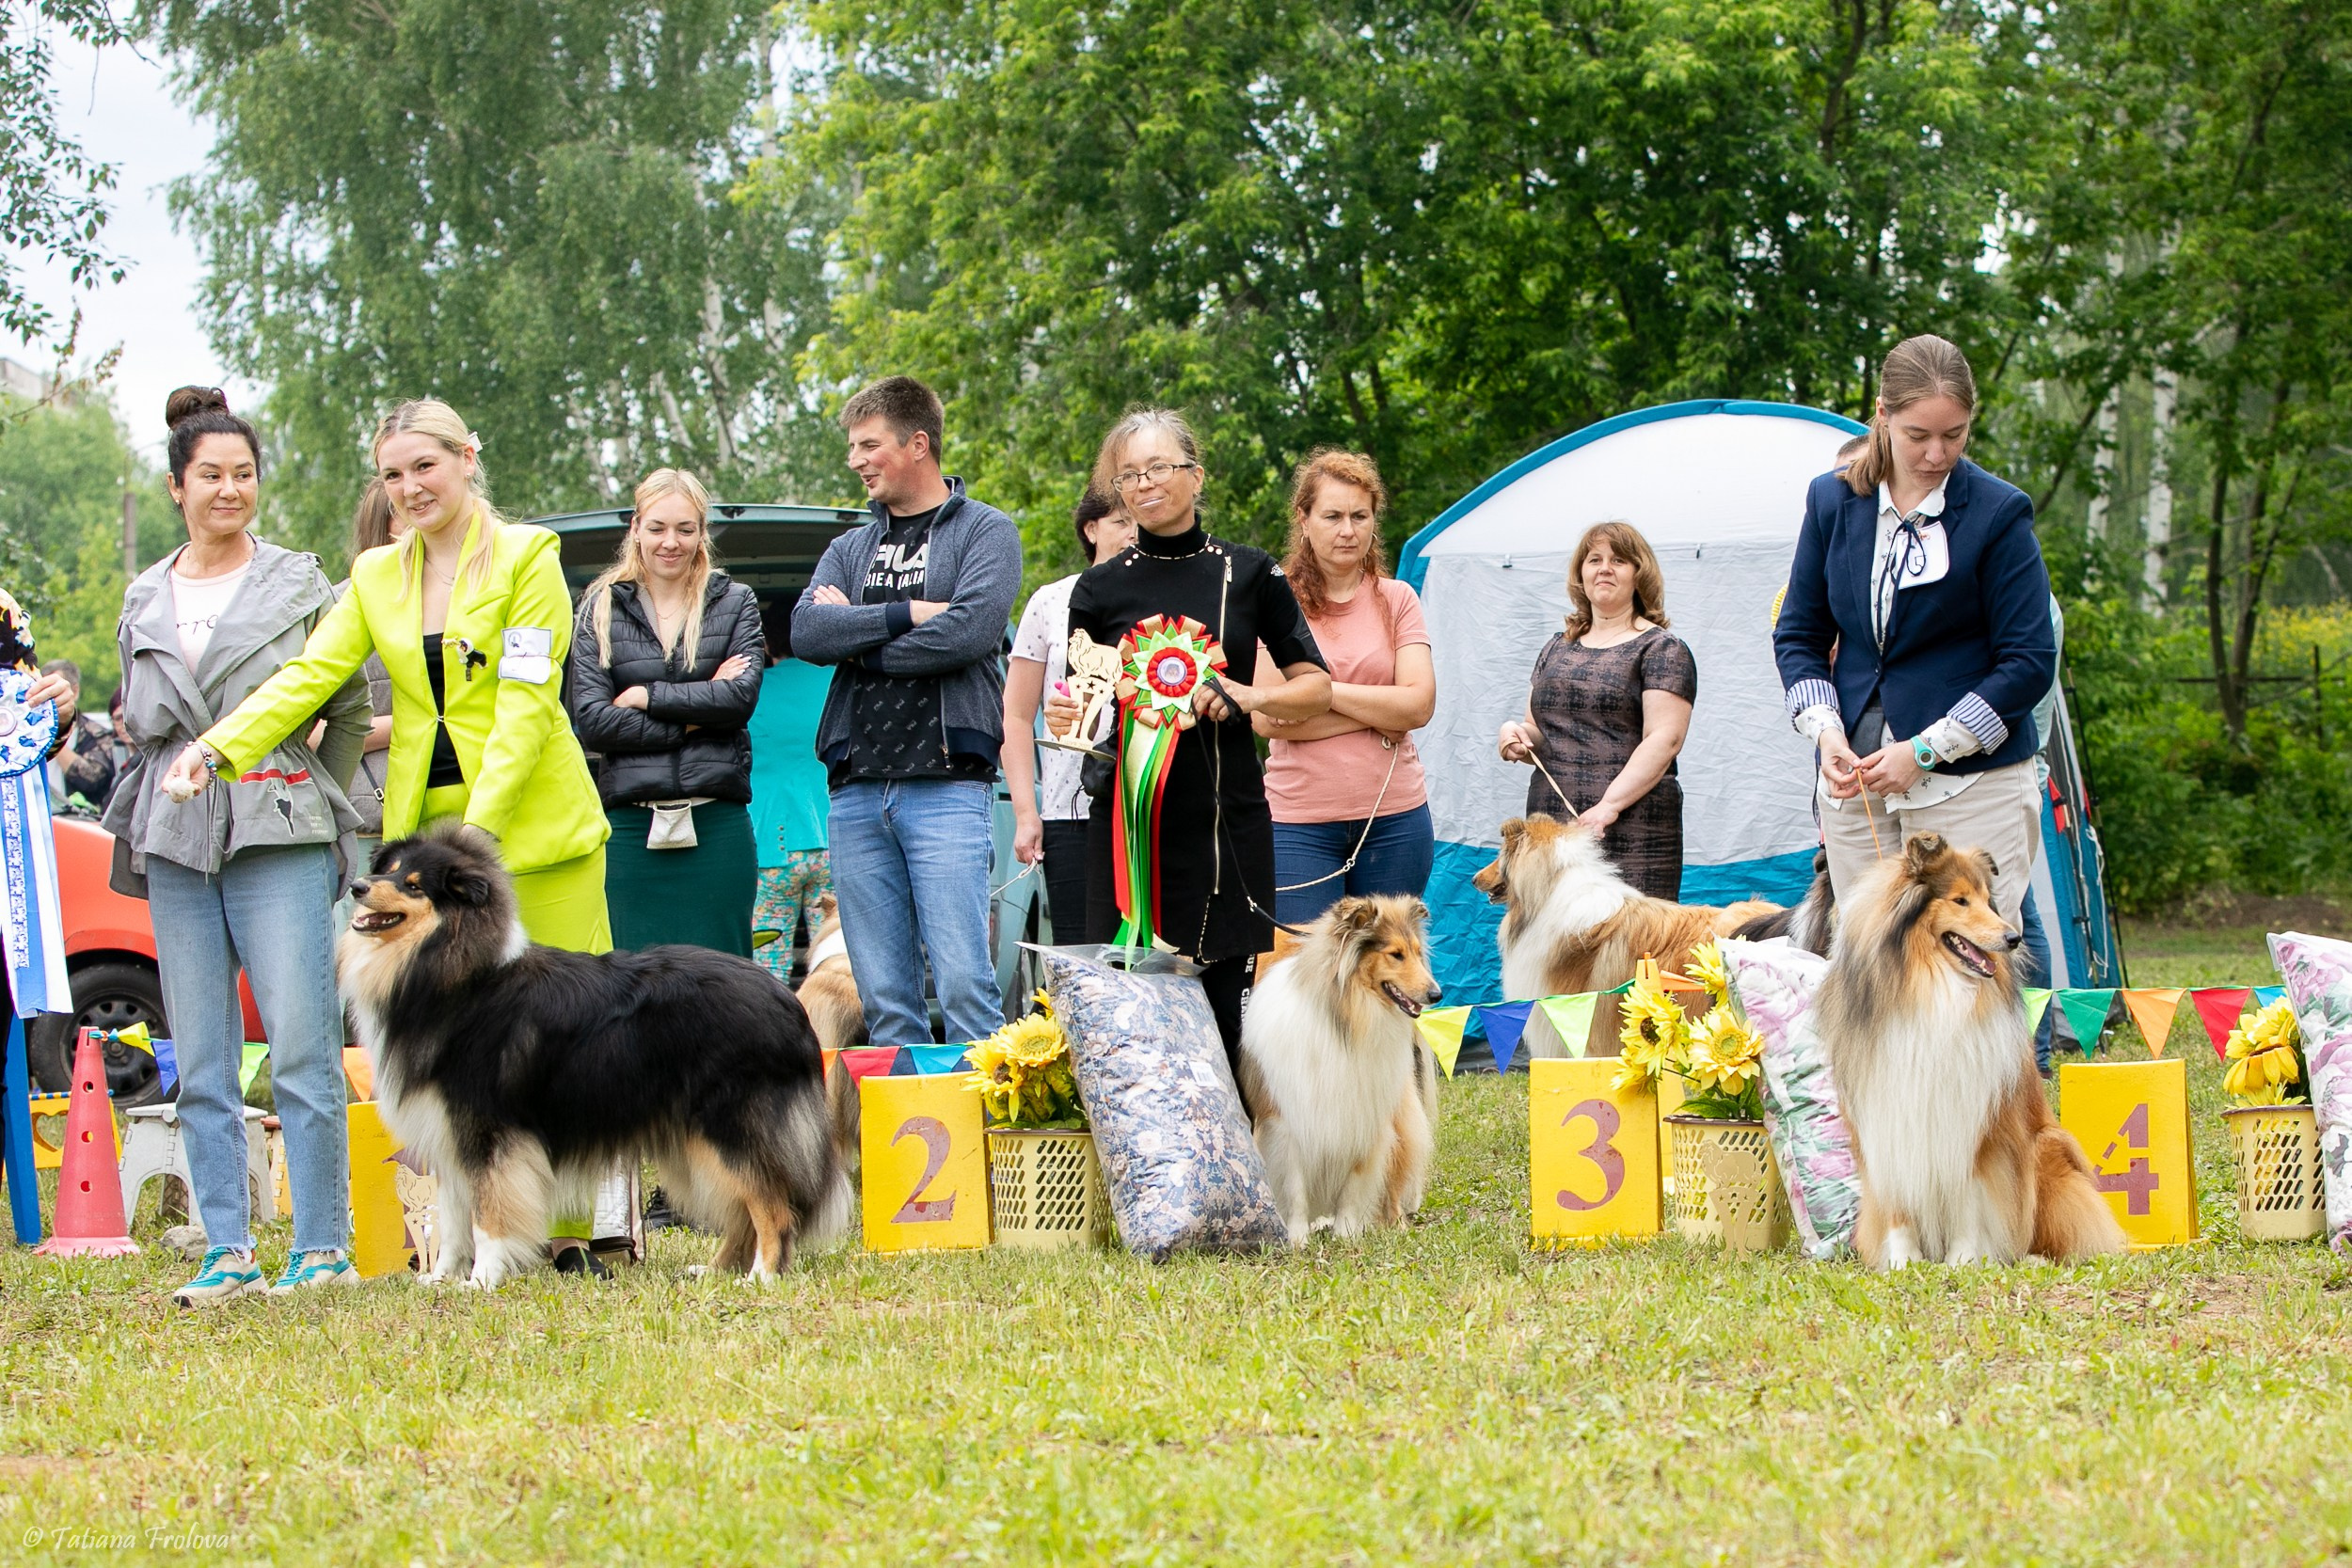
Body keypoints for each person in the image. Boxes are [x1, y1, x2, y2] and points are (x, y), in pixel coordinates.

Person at [166, 397, 616, 1276]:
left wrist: (473, 846)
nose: (409, 487)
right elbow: (309, 676)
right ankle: (473, 1241)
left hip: (535, 831)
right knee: (454, 1056)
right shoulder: (375, 575)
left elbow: (527, 706)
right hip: (425, 842)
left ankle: (565, 1236)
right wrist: (217, 747)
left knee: (566, 1039)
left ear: (467, 456)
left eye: (424, 466)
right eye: (392, 474)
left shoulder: (531, 556)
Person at [106, 387, 373, 1305]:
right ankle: (227, 1246)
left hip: (279, 831)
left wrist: (315, 789)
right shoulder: (143, 595)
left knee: (301, 1042)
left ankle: (323, 1245)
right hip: (177, 839)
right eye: (211, 475)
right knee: (206, 1055)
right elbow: (138, 727)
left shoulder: (300, 582)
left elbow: (348, 710)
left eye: (244, 473)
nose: (230, 489)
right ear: (177, 485)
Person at [1051, 408, 1330, 1069]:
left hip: (1226, 825)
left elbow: (1316, 685)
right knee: (1132, 1024)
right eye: (1129, 475)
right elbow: (1084, 706)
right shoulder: (1095, 589)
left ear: (1196, 475)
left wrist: (1251, 695)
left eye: (1159, 467)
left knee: (1231, 1016)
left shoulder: (1252, 573)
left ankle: (1233, 1162)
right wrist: (1072, 722)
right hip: (1130, 835)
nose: (1145, 484)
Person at [1773, 332, 2056, 926]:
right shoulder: (1831, 502)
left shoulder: (2000, 513)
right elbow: (1798, 634)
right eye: (1918, 436)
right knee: (1872, 964)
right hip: (1857, 785)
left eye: (1954, 435)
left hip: (1973, 784)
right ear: (1883, 415)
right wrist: (1826, 732)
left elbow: (2028, 661)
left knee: (1969, 968)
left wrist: (1926, 750)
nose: (1936, 454)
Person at [791, 376, 1022, 1049]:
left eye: (869, 444)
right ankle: (903, 1155)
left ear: (917, 443)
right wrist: (903, 614)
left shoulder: (986, 531)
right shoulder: (850, 546)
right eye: (852, 446)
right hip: (858, 789)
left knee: (964, 987)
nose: (855, 460)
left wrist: (859, 642)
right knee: (887, 1000)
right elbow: (807, 633)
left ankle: (986, 1154)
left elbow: (971, 631)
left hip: (947, 786)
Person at [569, 467, 764, 956]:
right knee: (634, 990)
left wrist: (646, 697)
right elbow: (593, 723)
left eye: (685, 528)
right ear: (635, 528)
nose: (670, 542)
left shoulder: (735, 601)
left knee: (724, 988)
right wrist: (700, 716)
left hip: (717, 827)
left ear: (703, 532)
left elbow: (739, 701)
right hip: (630, 833)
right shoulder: (598, 607)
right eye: (656, 527)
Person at [1257, 451, 1437, 926]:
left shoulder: (1398, 598)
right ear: (1305, 519)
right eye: (1332, 516)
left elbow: (1418, 706)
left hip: (1396, 820)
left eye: (1360, 516)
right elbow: (1267, 716)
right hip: (1298, 826)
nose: (1347, 530)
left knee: (1387, 980)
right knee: (1305, 980)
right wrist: (1382, 711)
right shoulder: (1274, 601)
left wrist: (1320, 693)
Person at [1496, 522, 1696, 899]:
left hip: (1635, 829)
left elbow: (1665, 739)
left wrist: (1608, 807)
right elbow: (1539, 731)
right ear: (1581, 574)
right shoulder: (1556, 648)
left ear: (1639, 574)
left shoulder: (1662, 649)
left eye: (1619, 560)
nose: (1604, 568)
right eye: (1594, 560)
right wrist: (1516, 735)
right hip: (1551, 828)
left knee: (1633, 948)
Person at [1003, 490, 1137, 940]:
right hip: (1070, 812)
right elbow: (1017, 716)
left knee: (1157, 963)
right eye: (1121, 521)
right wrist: (1027, 813)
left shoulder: (1170, 601)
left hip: (1154, 810)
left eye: (1141, 520)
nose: (1134, 532)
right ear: (1091, 528)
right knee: (1081, 960)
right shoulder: (1050, 601)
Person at [747, 598, 834, 979]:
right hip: (835, 839)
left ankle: (772, 1032)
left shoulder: (753, 691)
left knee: (768, 959)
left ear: (766, 643)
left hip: (770, 847)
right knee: (834, 957)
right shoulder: (837, 682)